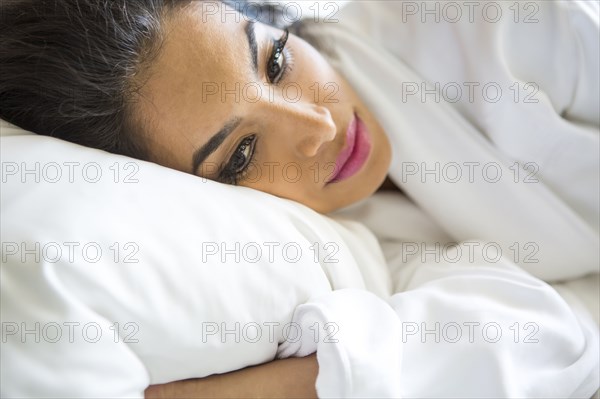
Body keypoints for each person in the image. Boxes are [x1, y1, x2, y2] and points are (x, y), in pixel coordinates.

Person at [2, 0, 598, 397]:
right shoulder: (341, 244)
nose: (317, 126)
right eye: (240, 155)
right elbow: (550, 330)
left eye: (277, 61)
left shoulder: (491, 27)